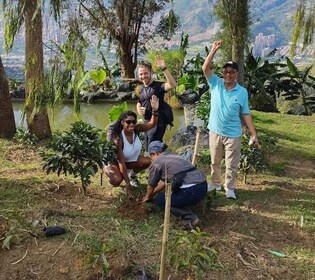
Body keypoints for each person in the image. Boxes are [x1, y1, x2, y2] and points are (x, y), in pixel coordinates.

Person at [202, 40, 260, 199]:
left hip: (233, 134)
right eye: (226, 71)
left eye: (232, 72)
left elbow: (246, 114)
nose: (228, 74)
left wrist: (253, 134)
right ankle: (214, 183)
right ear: (223, 73)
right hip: (215, 131)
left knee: (231, 164)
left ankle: (230, 187)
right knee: (214, 160)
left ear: (236, 74)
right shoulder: (215, 83)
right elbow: (205, 68)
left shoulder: (242, 92)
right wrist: (213, 49)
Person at [142, 141, 207, 229]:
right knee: (168, 195)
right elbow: (164, 182)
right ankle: (186, 205)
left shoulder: (157, 162)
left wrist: (148, 196)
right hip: (203, 185)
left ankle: (191, 218)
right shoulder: (173, 156)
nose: (151, 158)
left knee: (161, 200)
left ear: (155, 153)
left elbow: (151, 185)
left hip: (192, 190)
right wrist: (152, 194)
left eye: (151, 155)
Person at [105, 96, 159, 196]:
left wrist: (155, 110)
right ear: (122, 122)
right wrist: (127, 184)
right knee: (116, 180)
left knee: (146, 162)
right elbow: (121, 162)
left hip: (129, 160)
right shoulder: (118, 139)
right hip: (116, 162)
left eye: (133, 121)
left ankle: (132, 176)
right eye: (128, 122)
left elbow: (152, 124)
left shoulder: (137, 129)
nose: (131, 124)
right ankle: (105, 167)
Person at [136, 56, 177, 150]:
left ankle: (158, 164)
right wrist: (138, 108)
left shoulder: (158, 86)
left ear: (151, 72)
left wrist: (164, 68)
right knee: (148, 148)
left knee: (154, 149)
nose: (143, 76)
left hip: (157, 123)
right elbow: (139, 101)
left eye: (145, 73)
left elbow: (172, 85)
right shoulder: (141, 89)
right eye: (141, 74)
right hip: (146, 123)